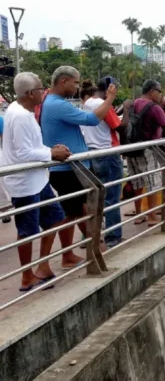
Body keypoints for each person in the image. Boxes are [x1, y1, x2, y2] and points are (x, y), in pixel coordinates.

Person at [1, 72, 73, 290]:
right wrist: (51, 154)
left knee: (55, 218)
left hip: (38, 180)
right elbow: (23, 153)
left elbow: (30, 147)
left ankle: (42, 265)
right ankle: (26, 276)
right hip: (24, 183)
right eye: (42, 89)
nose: (45, 92)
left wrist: (51, 151)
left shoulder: (20, 110)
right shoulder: (21, 116)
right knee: (27, 231)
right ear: (31, 93)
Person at [41, 66, 118, 255]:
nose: (77, 87)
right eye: (75, 82)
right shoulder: (58, 104)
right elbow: (92, 119)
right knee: (81, 211)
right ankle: (96, 249)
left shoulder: (51, 102)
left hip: (70, 168)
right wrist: (110, 99)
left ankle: (73, 254)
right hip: (70, 170)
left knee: (73, 212)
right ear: (63, 82)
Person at [124, 80, 165, 225]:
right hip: (148, 148)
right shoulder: (154, 107)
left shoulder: (133, 104)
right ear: (152, 91)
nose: (161, 94)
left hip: (131, 147)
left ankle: (139, 214)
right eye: (159, 91)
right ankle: (152, 216)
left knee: (137, 182)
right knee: (152, 182)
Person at [80, 77, 124, 248]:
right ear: (110, 88)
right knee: (111, 197)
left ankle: (89, 236)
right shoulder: (102, 103)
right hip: (107, 152)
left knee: (94, 198)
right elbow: (118, 125)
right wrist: (126, 111)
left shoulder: (86, 103)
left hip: (91, 153)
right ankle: (113, 238)